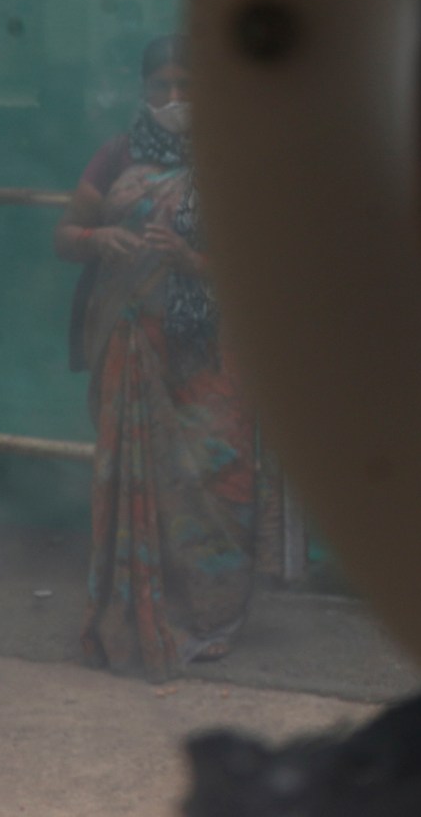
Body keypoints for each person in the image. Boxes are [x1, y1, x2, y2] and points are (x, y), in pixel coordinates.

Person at [54, 35, 256, 677]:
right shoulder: (118, 155)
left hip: (209, 353)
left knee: (219, 477)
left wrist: (188, 260)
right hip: (134, 341)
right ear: (143, 90)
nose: (174, 99)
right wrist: (101, 236)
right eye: (160, 86)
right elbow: (66, 237)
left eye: (186, 86)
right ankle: (141, 605)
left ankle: (214, 616)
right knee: (139, 476)